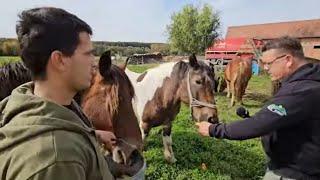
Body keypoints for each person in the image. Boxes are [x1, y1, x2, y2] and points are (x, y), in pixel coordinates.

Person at [0, 7, 117, 179]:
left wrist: (93, 134)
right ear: (59, 60)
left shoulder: (35, 100)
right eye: (88, 54)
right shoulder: (57, 161)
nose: (94, 63)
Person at [196, 36, 320, 180]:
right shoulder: (308, 83)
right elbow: (282, 118)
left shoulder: (299, 91)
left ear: (288, 60)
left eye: (269, 63)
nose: (265, 68)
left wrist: (213, 129)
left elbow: (260, 124)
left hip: (293, 173)